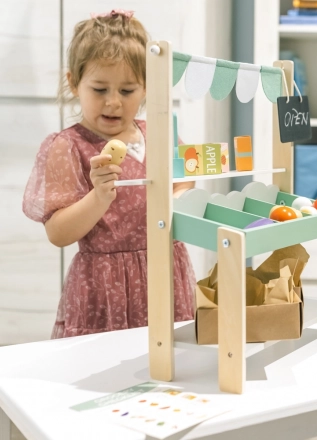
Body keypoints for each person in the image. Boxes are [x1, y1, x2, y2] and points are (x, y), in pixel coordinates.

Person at [23, 9, 196, 339]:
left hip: (164, 273)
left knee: (167, 368)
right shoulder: (69, 146)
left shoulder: (161, 133)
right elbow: (58, 233)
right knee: (105, 372)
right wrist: (99, 196)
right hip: (104, 285)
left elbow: (187, 178)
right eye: (100, 89)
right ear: (74, 82)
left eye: (127, 91)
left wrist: (175, 200)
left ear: (147, 87)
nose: (113, 103)